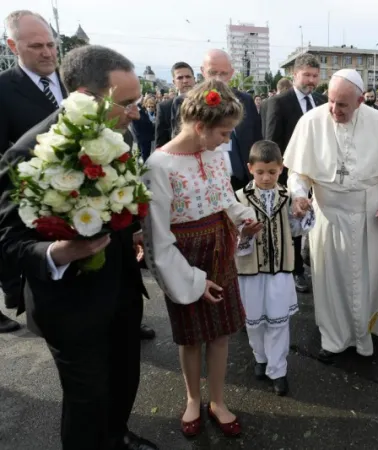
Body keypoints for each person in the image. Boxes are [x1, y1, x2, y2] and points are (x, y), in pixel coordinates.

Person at [0, 45, 156, 450]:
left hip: (121, 290)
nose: (136, 112)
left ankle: (118, 435)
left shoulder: (117, 135)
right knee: (87, 401)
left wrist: (133, 230)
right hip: (70, 306)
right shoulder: (28, 152)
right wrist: (58, 253)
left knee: (124, 380)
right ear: (87, 98)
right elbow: (8, 243)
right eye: (127, 103)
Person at [144, 80, 260, 438]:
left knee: (221, 334)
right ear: (200, 127)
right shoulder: (159, 165)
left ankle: (218, 400)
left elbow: (224, 197)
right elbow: (158, 238)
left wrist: (243, 218)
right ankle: (194, 398)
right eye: (224, 133)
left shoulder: (215, 154)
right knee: (191, 337)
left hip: (218, 248)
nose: (228, 140)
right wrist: (192, 280)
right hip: (184, 256)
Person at [283, 69, 378, 363]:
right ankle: (335, 335)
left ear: (361, 101)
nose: (334, 110)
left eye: (343, 105)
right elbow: (297, 172)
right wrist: (299, 194)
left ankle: (368, 330)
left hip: (368, 216)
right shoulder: (311, 121)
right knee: (331, 280)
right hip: (329, 216)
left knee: (369, 276)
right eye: (332, 102)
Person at [0, 10, 67, 332]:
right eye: (36, 46)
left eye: (51, 44)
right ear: (13, 46)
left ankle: (120, 319)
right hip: (37, 202)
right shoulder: (3, 89)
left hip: (93, 190)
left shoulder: (74, 81)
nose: (47, 52)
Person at [234, 140, 314, 396]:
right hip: (250, 271)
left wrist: (302, 212)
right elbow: (230, 238)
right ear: (250, 169)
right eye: (260, 172)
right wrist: (244, 234)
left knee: (278, 323)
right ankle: (260, 357)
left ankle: (278, 369)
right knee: (254, 321)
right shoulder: (239, 198)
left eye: (272, 172)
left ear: (281, 169)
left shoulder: (288, 198)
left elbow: (297, 229)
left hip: (280, 270)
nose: (266, 177)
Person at [264, 53, 326, 293]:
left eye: (315, 76)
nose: (311, 80)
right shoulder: (278, 103)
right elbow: (271, 143)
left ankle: (314, 260)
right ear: (294, 75)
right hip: (290, 175)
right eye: (306, 75)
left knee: (317, 220)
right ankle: (297, 271)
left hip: (320, 176)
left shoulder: (322, 100)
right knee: (295, 225)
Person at [160, 50, 261, 192]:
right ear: (203, 71)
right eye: (213, 73)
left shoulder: (246, 100)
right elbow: (180, 144)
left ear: (231, 73)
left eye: (223, 73)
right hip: (202, 184)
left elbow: (257, 141)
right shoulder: (185, 102)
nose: (218, 79)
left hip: (243, 181)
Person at [155, 61, 195, 147]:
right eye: (180, 78)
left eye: (188, 77)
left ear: (194, 79)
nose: (185, 81)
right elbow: (160, 142)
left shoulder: (206, 102)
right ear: (174, 82)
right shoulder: (164, 107)